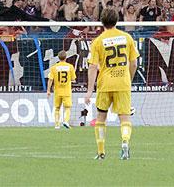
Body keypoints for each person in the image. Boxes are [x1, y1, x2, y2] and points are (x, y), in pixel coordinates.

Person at [84, 8, 139, 160]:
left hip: (105, 84)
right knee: (125, 118)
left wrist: (89, 91)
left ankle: (101, 152)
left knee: (101, 117)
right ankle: (125, 142)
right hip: (123, 83)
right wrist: (128, 79)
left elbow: (92, 66)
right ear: (117, 20)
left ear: (102, 22)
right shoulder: (127, 38)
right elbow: (134, 63)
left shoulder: (98, 41)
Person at [47, 50, 76, 129]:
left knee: (57, 108)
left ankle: (57, 124)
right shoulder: (70, 67)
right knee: (67, 107)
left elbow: (50, 79)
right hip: (66, 91)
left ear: (58, 58)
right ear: (66, 57)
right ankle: (66, 121)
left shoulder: (54, 67)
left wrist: (48, 90)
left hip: (57, 91)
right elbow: (73, 78)